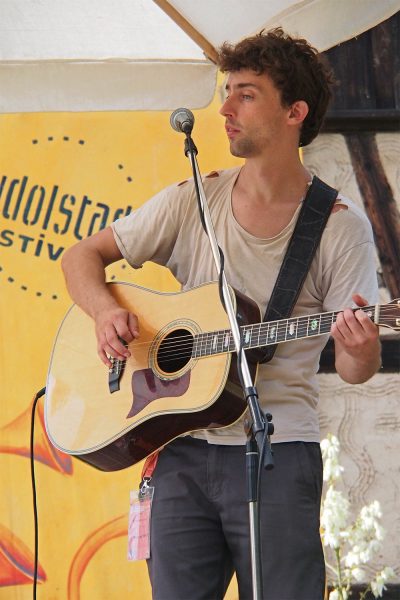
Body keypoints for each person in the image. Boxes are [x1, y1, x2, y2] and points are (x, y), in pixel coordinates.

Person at [61, 28, 381, 600]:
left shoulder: (339, 226)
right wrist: (106, 310)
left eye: (246, 94)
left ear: (294, 112)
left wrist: (357, 347)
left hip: (279, 452)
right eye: (225, 91)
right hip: (180, 448)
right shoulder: (193, 199)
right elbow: (81, 257)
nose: (225, 108)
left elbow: (357, 369)